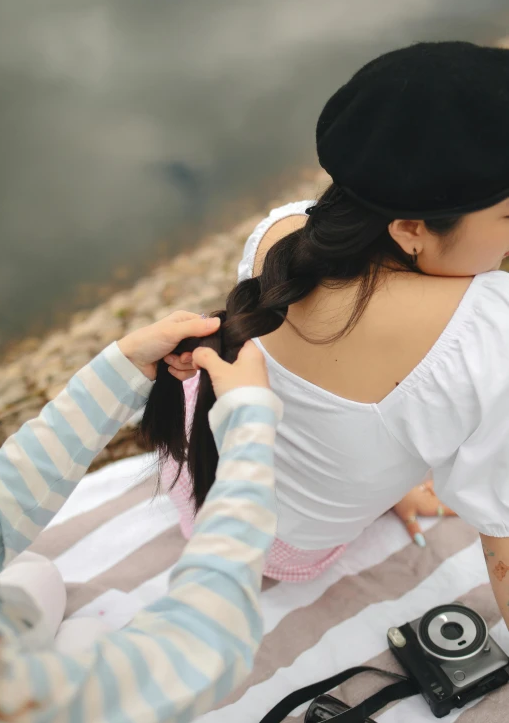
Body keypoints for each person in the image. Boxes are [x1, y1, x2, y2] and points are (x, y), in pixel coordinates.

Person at [140, 41, 509, 626]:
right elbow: (503, 541)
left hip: (191, 470)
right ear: (412, 228)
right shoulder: (489, 329)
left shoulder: (285, 231)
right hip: (282, 547)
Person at [0, 311, 283, 723]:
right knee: (88, 640)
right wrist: (248, 430)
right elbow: (193, 652)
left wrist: (123, 368)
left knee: (35, 575)